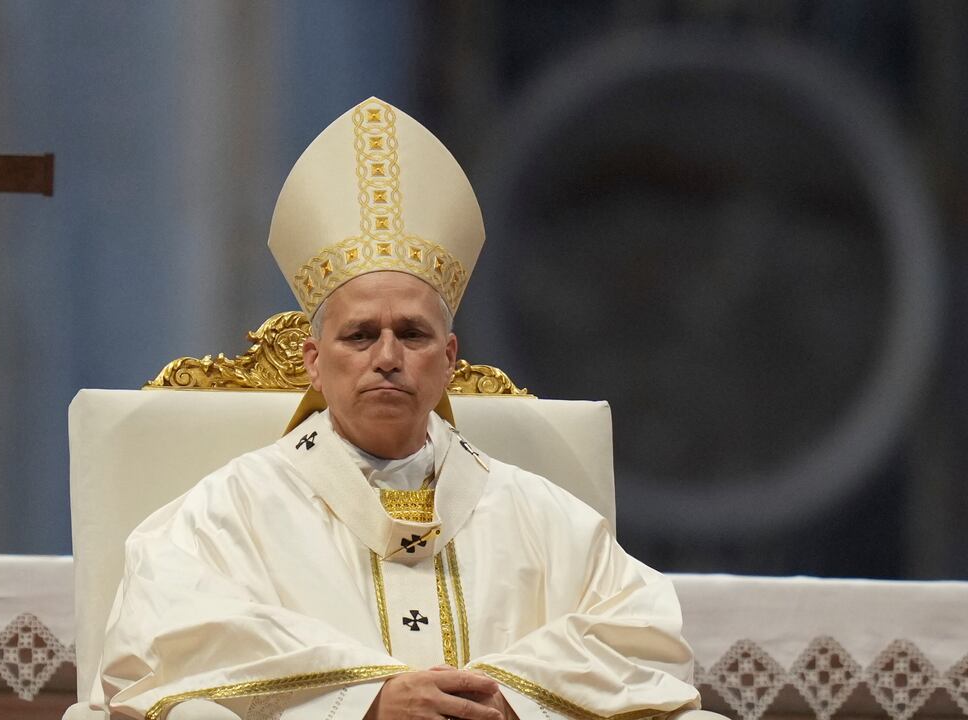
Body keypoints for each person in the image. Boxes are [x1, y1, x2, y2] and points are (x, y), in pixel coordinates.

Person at [92, 98, 703, 720]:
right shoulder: (227, 513)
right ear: (312, 360)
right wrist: (367, 701)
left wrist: (507, 700)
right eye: (360, 336)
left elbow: (644, 641)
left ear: (448, 359)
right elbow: (156, 648)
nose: (387, 357)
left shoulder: (540, 515)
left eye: (412, 334)